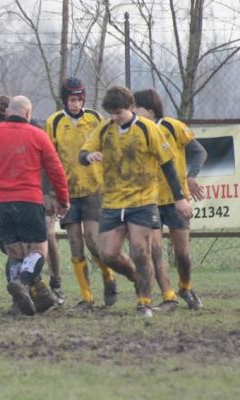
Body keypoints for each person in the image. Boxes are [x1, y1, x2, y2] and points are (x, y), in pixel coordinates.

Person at [79, 85, 192, 317]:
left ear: (131, 108)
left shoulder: (148, 129)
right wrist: (88, 156)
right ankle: (134, 274)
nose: (115, 118)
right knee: (108, 253)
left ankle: (145, 302)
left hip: (142, 200)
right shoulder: (105, 129)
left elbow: (168, 165)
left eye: (118, 113)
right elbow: (83, 153)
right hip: (112, 202)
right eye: (111, 113)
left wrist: (179, 198)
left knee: (142, 251)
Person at [0, 96, 70, 316]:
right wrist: (63, 199)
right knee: (38, 249)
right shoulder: (38, 135)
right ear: (28, 113)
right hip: (28, 201)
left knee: (15, 252)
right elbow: (56, 170)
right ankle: (23, 283)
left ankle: (19, 299)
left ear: (8, 112)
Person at [45, 77, 118, 310]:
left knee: (93, 241)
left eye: (79, 99)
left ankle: (109, 277)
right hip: (67, 192)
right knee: (75, 244)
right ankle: (87, 297)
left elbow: (109, 146)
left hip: (94, 188)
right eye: (71, 99)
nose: (76, 104)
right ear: (64, 99)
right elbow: (48, 159)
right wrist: (50, 192)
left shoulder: (95, 118)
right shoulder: (54, 122)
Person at [0, 95, 66, 307]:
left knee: (40, 242)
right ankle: (27, 293)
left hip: (29, 197)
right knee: (24, 250)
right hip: (20, 199)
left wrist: (51, 194)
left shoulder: (35, 131)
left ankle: (54, 285)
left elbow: (52, 167)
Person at [133, 88, 207, 311]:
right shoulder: (136, 131)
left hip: (176, 199)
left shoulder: (172, 127)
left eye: (136, 107)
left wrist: (191, 176)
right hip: (149, 200)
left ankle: (186, 286)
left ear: (150, 109)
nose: (133, 111)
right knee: (155, 249)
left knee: (182, 253)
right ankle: (169, 297)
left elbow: (199, 152)